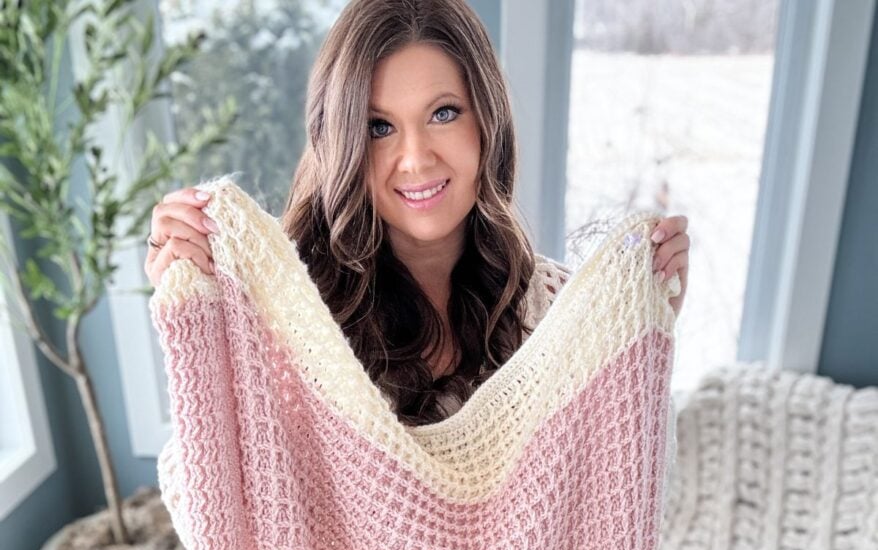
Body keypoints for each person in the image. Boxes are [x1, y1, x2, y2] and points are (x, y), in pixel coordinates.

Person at [144, 0, 689, 429]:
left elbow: (606, 496)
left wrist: (641, 338)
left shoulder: (551, 308)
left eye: (443, 113)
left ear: (487, 124)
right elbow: (217, 497)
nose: (415, 158)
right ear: (340, 143)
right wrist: (197, 307)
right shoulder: (287, 318)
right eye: (378, 127)